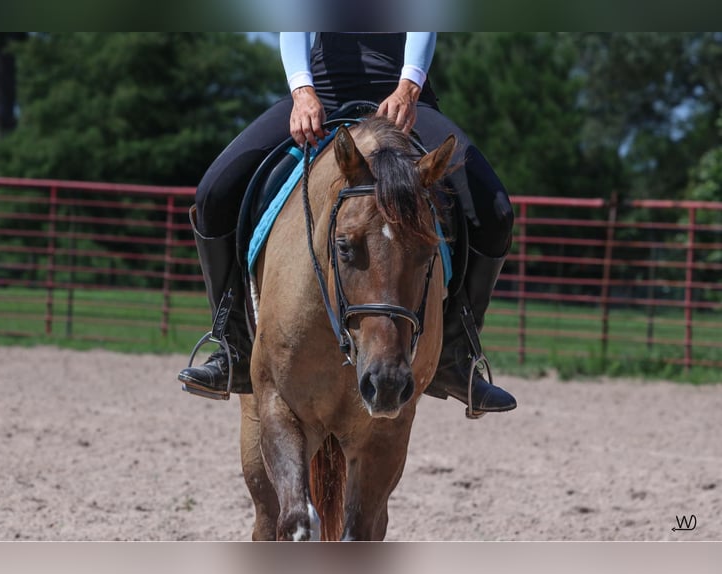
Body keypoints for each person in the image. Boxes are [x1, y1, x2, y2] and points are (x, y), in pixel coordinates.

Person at [178, 32, 517, 417]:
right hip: (321, 92)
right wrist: (302, 91)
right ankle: (232, 346)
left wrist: (409, 87)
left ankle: (456, 354)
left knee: (495, 213)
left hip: (404, 100)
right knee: (213, 194)